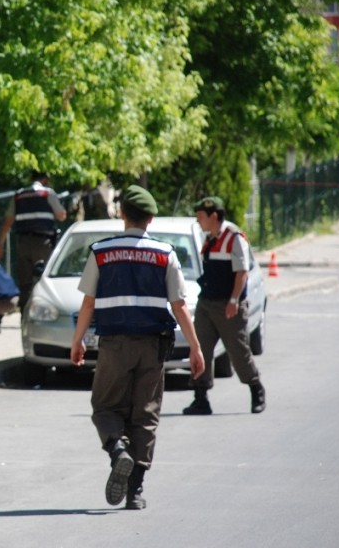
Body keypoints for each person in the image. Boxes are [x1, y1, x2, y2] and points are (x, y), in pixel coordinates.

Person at [70, 185, 204, 510]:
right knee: (145, 415)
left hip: (115, 344)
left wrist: (78, 341)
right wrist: (197, 350)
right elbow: (180, 306)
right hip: (154, 345)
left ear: (122, 215)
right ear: (151, 218)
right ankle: (136, 492)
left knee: (105, 407)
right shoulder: (165, 253)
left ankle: (118, 450)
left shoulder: (101, 251)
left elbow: (88, 303)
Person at [182, 196, 266, 416]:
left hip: (228, 306)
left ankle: (256, 388)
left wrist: (234, 301)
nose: (198, 220)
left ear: (214, 216)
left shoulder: (234, 237)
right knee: (200, 350)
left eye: (201, 216)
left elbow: (242, 272)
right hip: (207, 303)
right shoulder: (209, 237)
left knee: (238, 351)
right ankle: (201, 398)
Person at [0, 170, 67, 310]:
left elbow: (8, 220)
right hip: (43, 243)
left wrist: (0, 244)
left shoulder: (18, 195)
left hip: (23, 243)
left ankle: (24, 314)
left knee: (25, 283)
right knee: (43, 279)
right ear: (45, 180)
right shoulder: (47, 193)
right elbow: (61, 216)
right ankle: (41, 313)